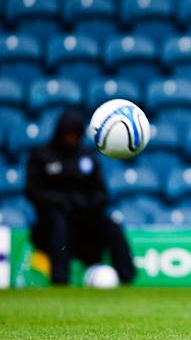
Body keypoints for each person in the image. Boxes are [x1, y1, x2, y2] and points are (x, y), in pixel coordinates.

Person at [25, 109, 136, 285]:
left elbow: (101, 193)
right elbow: (32, 191)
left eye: (75, 133)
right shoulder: (42, 156)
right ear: (59, 131)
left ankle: (126, 275)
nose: (72, 137)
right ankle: (60, 280)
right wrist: (61, 201)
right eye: (68, 132)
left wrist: (85, 203)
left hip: (84, 221)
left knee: (111, 225)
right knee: (58, 223)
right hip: (51, 223)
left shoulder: (87, 157)